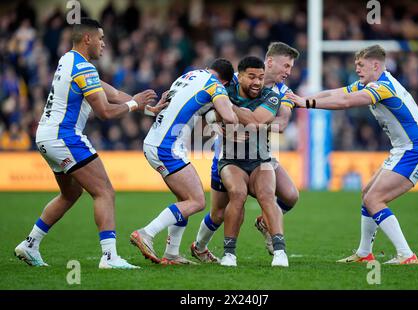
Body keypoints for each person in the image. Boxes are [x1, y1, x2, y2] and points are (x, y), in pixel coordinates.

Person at [14, 18, 160, 269]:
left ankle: (30, 244)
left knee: (70, 193)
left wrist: (146, 109)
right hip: (65, 136)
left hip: (46, 136)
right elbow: (104, 111)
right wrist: (135, 103)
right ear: (87, 39)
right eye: (101, 38)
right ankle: (109, 257)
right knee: (104, 191)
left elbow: (112, 94)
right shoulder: (84, 68)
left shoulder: (68, 60)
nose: (104, 44)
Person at [287, 45, 418, 265]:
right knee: (368, 194)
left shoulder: (384, 87)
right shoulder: (371, 83)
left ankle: (406, 254)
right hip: (404, 150)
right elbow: (336, 93)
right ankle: (365, 253)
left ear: (376, 65)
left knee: (375, 199)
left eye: (361, 65)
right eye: (356, 64)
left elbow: (346, 102)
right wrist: (302, 98)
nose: (356, 68)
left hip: (416, 152)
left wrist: (306, 103)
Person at [191, 42, 300, 262]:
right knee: (220, 212)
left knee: (290, 195)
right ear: (270, 62)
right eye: (286, 66)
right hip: (227, 154)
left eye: (291, 67)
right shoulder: (232, 81)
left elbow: (282, 123)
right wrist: (215, 120)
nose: (288, 72)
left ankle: (265, 224)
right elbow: (209, 109)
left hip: (261, 152)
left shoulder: (281, 92)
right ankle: (200, 245)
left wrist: (242, 117)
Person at [129, 59, 238, 265]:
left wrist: (210, 114)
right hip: (167, 147)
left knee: (184, 199)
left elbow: (170, 107)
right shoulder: (216, 86)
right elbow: (230, 117)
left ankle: (171, 254)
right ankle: (146, 233)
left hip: (156, 140)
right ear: (225, 82)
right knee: (197, 201)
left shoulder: (187, 76)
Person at [211, 56, 287, 267]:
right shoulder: (226, 92)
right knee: (237, 194)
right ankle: (229, 254)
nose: (257, 82)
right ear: (240, 76)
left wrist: (231, 109)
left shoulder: (271, 97)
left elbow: (256, 121)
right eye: (251, 76)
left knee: (267, 195)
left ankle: (280, 251)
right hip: (231, 160)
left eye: (261, 77)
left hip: (261, 160)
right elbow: (213, 120)